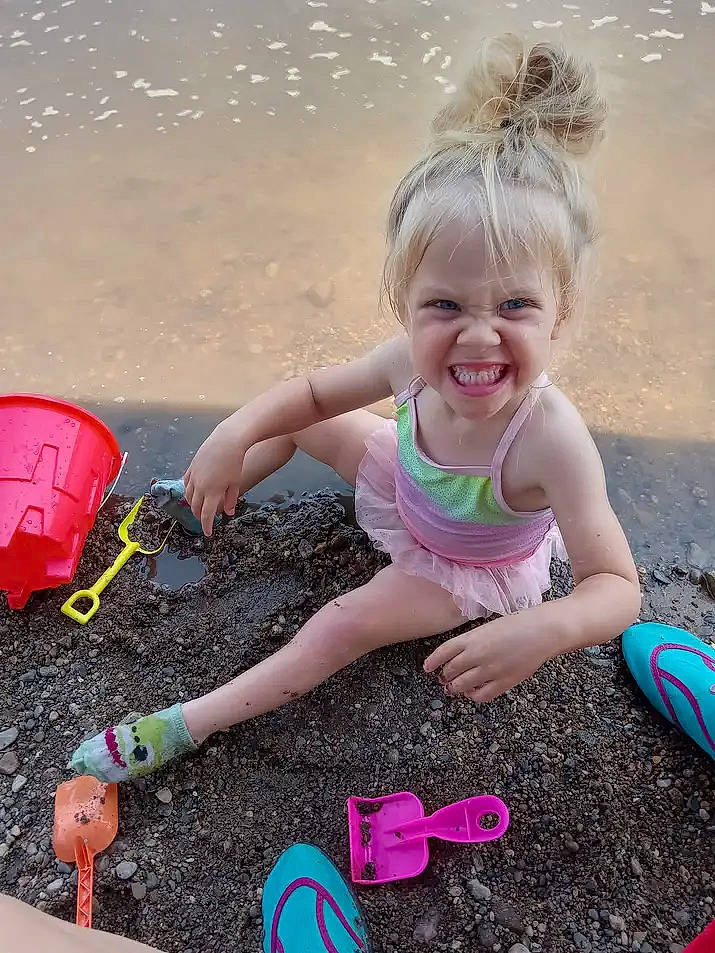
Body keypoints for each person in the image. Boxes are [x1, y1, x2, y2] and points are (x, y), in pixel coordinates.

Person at [71, 34, 641, 783]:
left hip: (463, 563)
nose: (477, 334)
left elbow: (616, 587)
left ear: (559, 315)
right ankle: (215, 492)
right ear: (402, 303)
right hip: (406, 481)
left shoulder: (549, 438)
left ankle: (182, 726)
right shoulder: (409, 360)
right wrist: (232, 434)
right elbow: (308, 395)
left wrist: (541, 628)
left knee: (337, 626)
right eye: (443, 303)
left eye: (515, 305)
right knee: (290, 415)